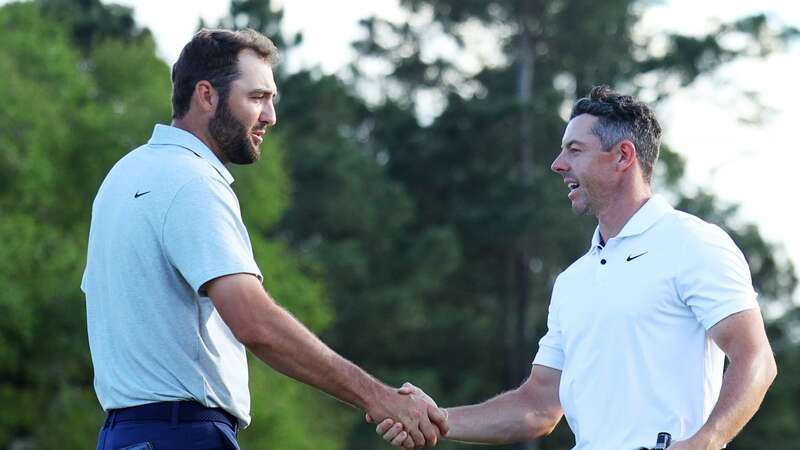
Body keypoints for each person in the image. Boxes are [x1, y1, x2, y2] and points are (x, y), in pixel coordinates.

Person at [82, 28, 446, 450]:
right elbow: (254, 323)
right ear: (206, 95)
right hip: (183, 434)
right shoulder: (193, 182)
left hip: (122, 436)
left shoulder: (123, 176)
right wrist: (379, 398)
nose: (271, 115)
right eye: (257, 97)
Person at [371, 86, 777, 449]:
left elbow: (755, 358)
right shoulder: (572, 281)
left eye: (574, 150)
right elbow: (538, 405)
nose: (558, 164)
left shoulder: (693, 243)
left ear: (622, 156)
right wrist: (437, 419)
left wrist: (705, 442)